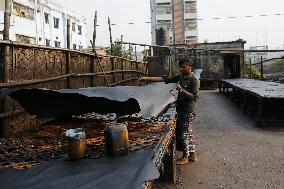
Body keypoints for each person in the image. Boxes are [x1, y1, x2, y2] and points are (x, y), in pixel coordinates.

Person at [138, 58, 200, 165]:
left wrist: (181, 90)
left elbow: (194, 96)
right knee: (188, 132)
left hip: (188, 110)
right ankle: (192, 155)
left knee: (182, 132)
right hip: (180, 108)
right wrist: (146, 78)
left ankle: (185, 156)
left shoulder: (194, 79)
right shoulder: (180, 76)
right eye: (180, 67)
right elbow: (164, 79)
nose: (181, 69)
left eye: (183, 67)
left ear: (190, 67)